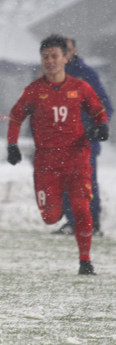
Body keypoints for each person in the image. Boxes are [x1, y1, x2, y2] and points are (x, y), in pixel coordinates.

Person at [7, 34, 109, 275]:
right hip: (46, 162)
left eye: (54, 56)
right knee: (50, 218)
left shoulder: (81, 87)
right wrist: (12, 145)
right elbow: (15, 116)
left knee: (83, 209)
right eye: (45, 57)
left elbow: (99, 110)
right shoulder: (33, 91)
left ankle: (85, 261)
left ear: (66, 58)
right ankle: (57, 202)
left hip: (77, 159)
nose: (50, 61)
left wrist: (101, 126)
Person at [52, 37, 114, 236]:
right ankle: (72, 222)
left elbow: (104, 105)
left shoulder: (86, 74)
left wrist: (95, 126)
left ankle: (91, 223)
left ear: (74, 50)